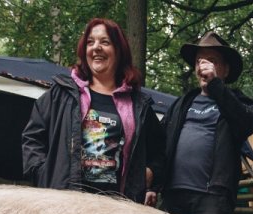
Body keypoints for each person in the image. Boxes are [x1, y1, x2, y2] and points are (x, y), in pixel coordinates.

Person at [22, 18, 164, 203]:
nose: (96, 47)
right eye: (91, 42)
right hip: (64, 204)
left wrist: (149, 174)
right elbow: (32, 137)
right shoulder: (63, 94)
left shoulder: (138, 104)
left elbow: (160, 149)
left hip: (118, 208)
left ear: (119, 51)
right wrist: (43, 172)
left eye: (105, 42)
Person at [160, 31, 253, 214]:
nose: (202, 66)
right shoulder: (181, 104)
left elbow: (246, 125)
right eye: (199, 61)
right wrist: (153, 186)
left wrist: (215, 85)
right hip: (172, 196)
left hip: (212, 200)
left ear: (225, 69)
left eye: (211, 61)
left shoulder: (238, 103)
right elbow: (159, 143)